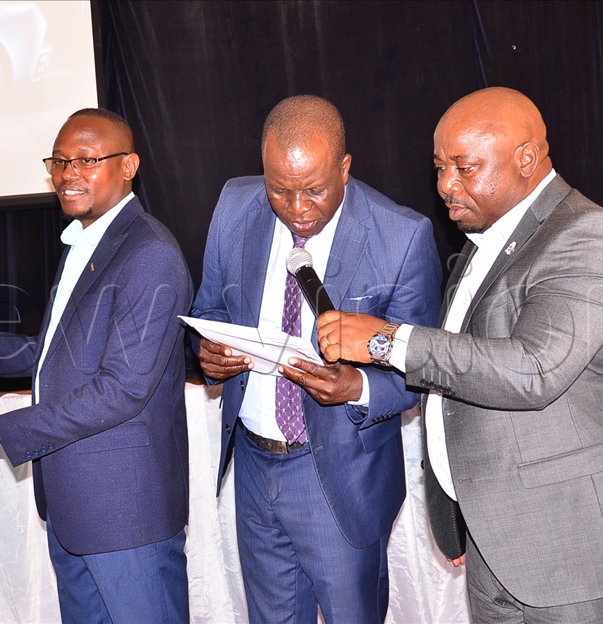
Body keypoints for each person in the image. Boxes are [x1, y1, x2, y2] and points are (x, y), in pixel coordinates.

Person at [317, 86, 603, 622]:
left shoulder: (586, 236)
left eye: (464, 168)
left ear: (526, 159)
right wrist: (455, 512)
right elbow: (458, 383)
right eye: (440, 167)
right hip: (500, 548)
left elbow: (532, 370)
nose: (446, 185)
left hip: (586, 556)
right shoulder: (482, 244)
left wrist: (387, 340)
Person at [0, 109, 193, 623]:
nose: (69, 174)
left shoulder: (148, 253)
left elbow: (120, 390)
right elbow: (69, 354)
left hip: (125, 514)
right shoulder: (87, 241)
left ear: (129, 165)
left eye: (87, 160)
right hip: (75, 507)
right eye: (60, 162)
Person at [191, 95, 442, 623]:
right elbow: (208, 307)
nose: (297, 208)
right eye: (279, 190)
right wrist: (208, 354)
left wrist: (357, 387)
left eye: (314, 190)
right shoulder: (234, 205)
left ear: (345, 168)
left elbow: (422, 370)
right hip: (254, 466)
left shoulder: (401, 237)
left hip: (340, 476)